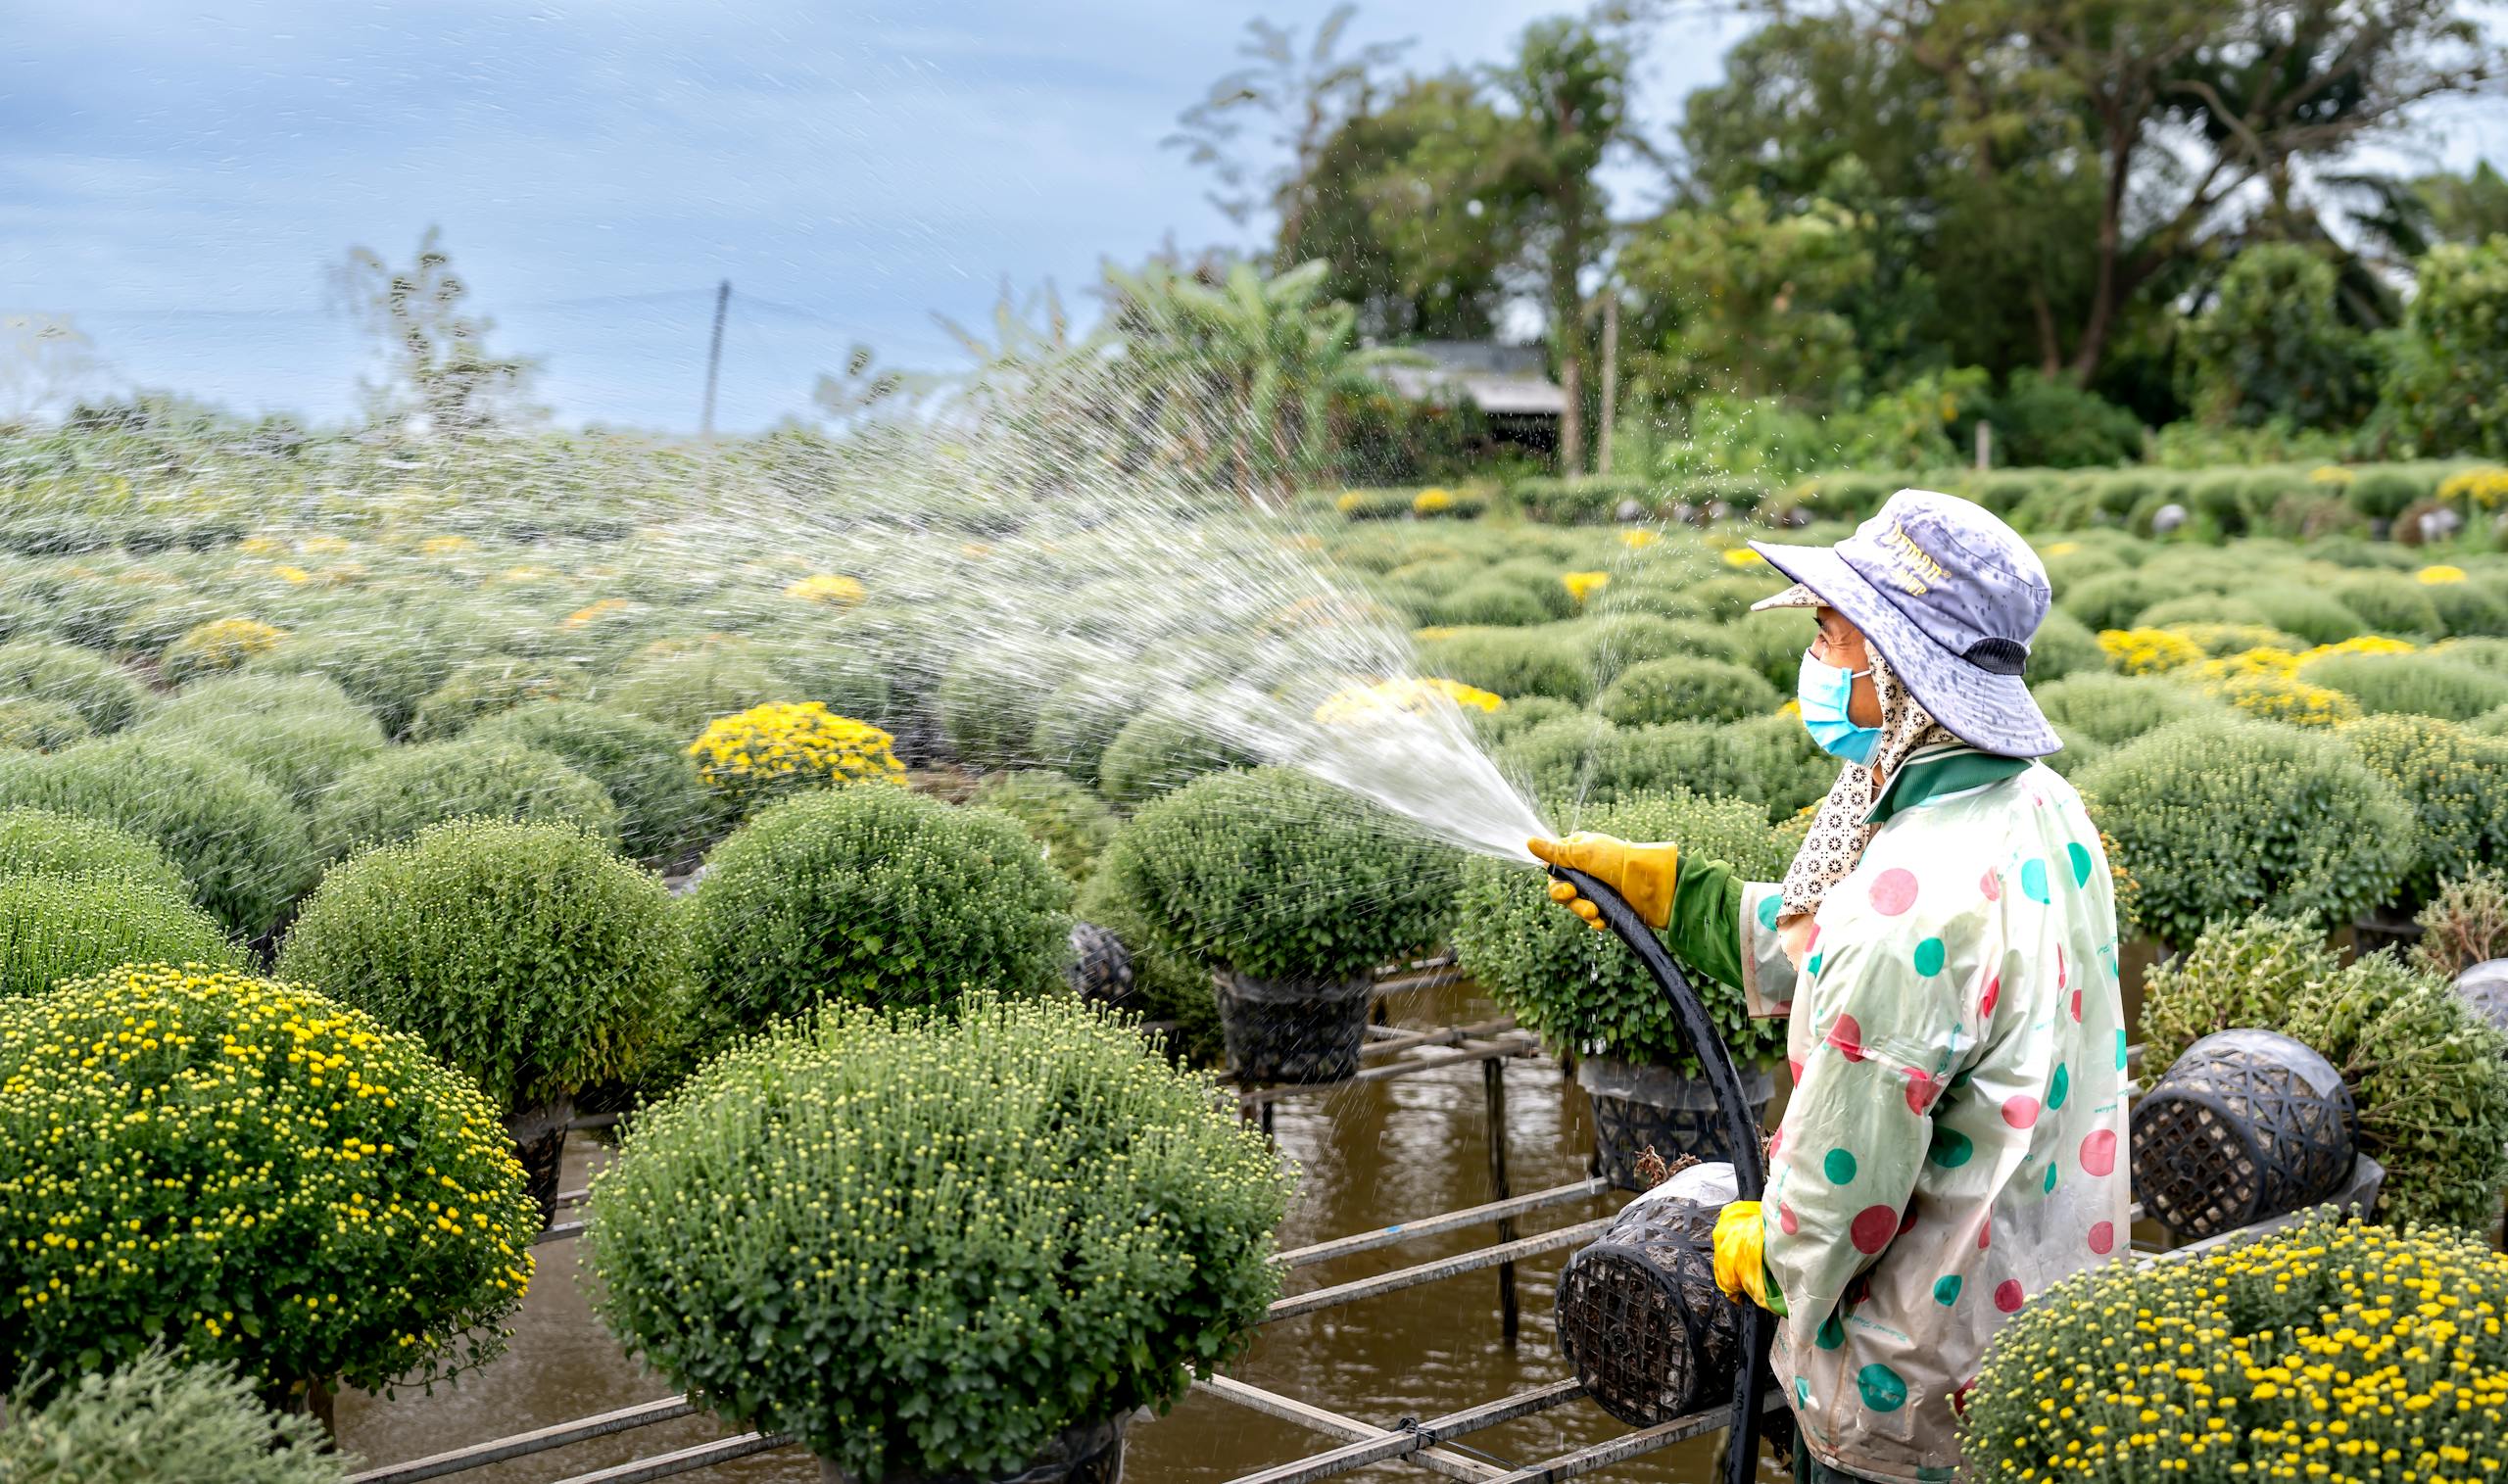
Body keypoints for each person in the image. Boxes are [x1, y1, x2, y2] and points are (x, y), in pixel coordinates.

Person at [1529, 490, 2126, 1484]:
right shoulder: (2034, 806)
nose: (1812, 659)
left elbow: (1838, 1200)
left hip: (1916, 1385)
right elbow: (1894, 983)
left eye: (1827, 633)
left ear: (1895, 669)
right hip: (2041, 1317)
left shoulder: (1905, 916)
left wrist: (1764, 1247)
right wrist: (1689, 899)